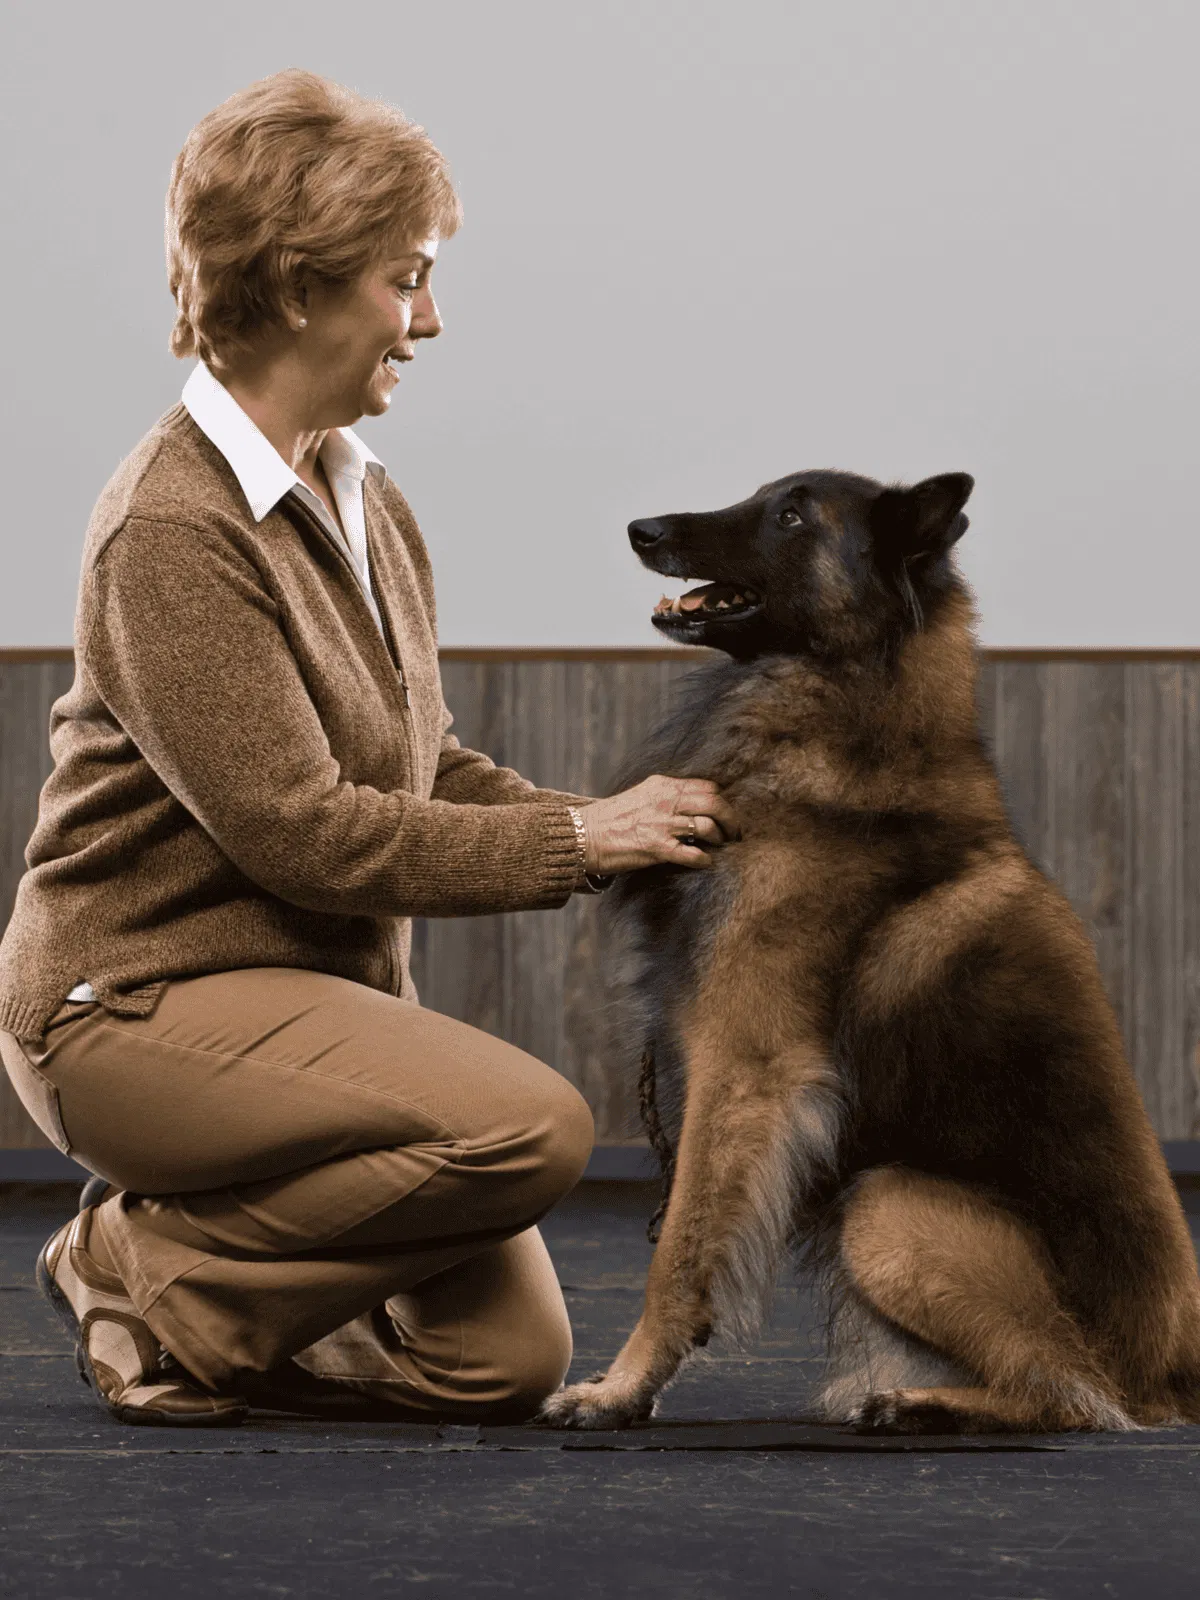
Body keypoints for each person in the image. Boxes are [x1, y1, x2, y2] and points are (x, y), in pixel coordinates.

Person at [0, 70, 736, 1427]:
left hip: (302, 1011)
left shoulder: (362, 495)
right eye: (410, 278)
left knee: (496, 1366)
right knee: (528, 1127)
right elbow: (304, 832)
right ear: (296, 287)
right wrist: (585, 840)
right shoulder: (172, 526)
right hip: (132, 1009)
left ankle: (194, 1305)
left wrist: (633, 827)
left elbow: (424, 764)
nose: (433, 319)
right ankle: (138, 1264)